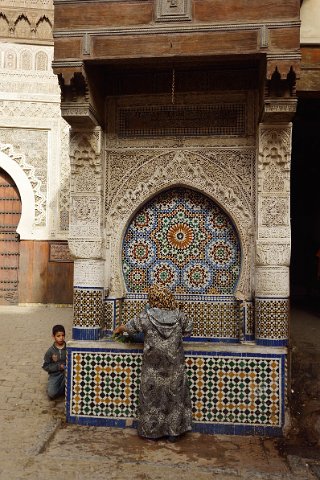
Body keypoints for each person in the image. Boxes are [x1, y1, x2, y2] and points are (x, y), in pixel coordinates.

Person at [114, 285, 193, 442]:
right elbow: (189, 329)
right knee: (174, 399)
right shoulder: (179, 316)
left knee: (152, 400)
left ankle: (151, 433)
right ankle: (173, 433)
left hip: (152, 366)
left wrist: (118, 329)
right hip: (174, 366)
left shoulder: (146, 316)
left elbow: (130, 328)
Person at [42, 324, 66, 399]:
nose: (61, 338)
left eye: (63, 335)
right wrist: (58, 367)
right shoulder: (50, 351)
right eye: (58, 336)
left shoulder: (69, 348)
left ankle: (64, 387)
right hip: (55, 374)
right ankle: (59, 389)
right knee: (52, 394)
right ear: (53, 336)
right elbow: (45, 366)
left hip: (66, 373)